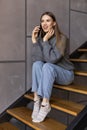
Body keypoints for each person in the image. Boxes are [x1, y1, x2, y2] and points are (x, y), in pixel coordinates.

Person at [31, 11, 74, 123]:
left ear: (54, 23)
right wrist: (35, 41)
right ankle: (37, 100)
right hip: (51, 73)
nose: (44, 24)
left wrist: (45, 41)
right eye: (42, 21)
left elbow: (52, 60)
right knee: (37, 65)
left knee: (48, 66)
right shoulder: (42, 39)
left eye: (48, 21)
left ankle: (45, 104)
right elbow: (37, 61)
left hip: (66, 74)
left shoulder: (62, 38)